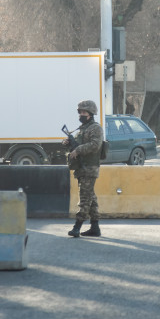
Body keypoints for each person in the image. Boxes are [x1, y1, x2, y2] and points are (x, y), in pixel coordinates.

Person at [65, 100, 104, 238]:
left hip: (89, 168)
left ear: (91, 113)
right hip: (82, 168)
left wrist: (78, 149)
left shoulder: (95, 128)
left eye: (84, 112)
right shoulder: (82, 128)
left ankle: (77, 227)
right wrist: (68, 144)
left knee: (85, 199)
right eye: (80, 112)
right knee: (91, 198)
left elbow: (95, 145)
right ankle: (95, 227)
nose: (81, 114)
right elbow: (77, 144)